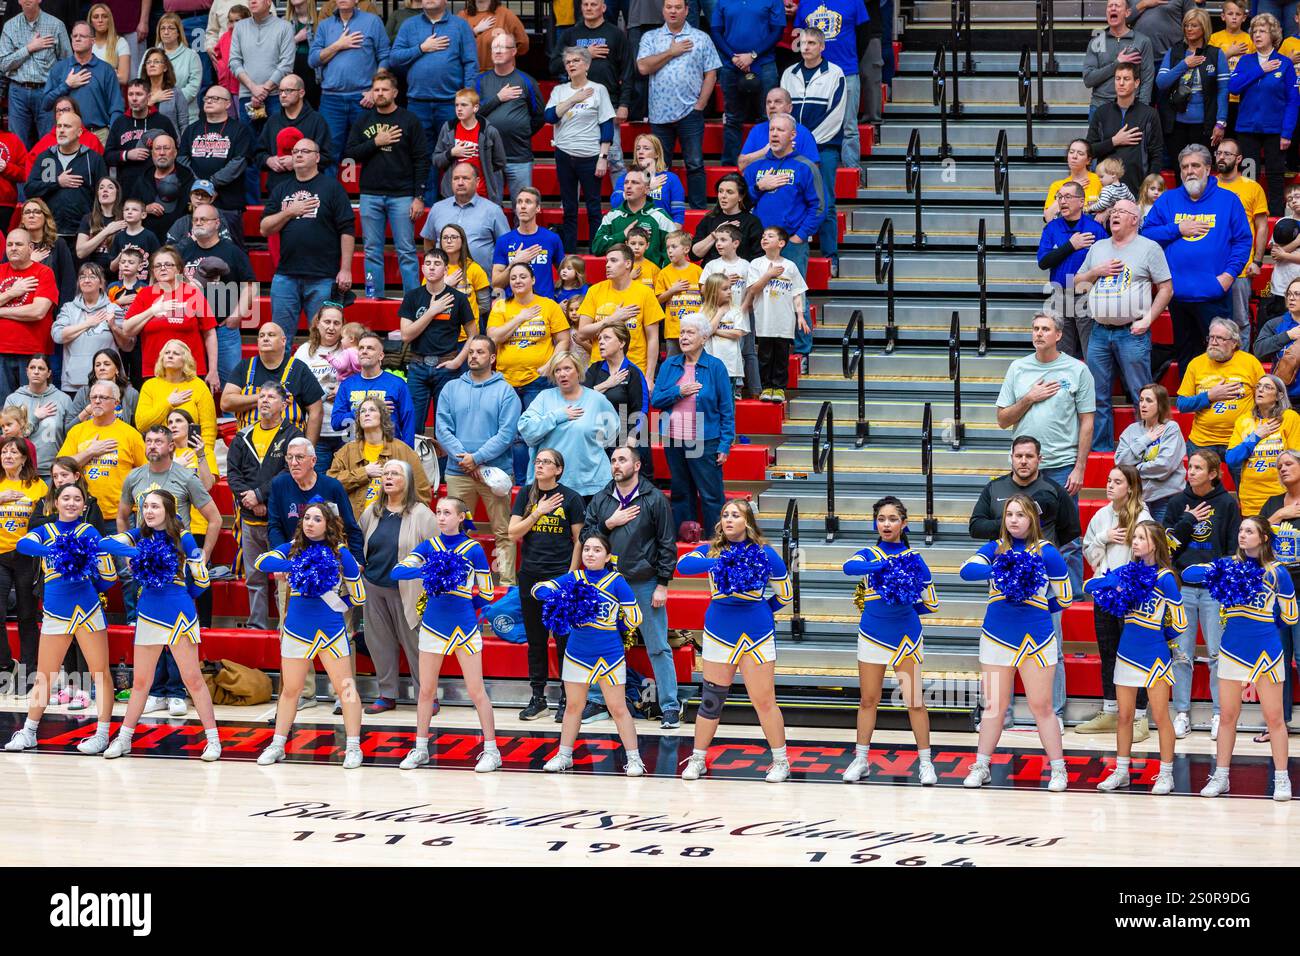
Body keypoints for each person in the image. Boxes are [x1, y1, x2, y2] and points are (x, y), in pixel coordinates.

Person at [960, 495, 1072, 792]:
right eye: (1009, 514)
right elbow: (967, 570)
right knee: (994, 706)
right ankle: (982, 765)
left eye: (1020, 514)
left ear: (1032, 519)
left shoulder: (1047, 552)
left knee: (1042, 707)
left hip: (1036, 638)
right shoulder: (995, 549)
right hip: (997, 636)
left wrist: (1038, 610)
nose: (1013, 520)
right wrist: (1002, 567)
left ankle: (1058, 769)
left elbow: (1066, 596)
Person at [968, 435, 1081, 726]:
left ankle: (1053, 713)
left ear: (1039, 459)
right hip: (1002, 587)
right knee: (999, 650)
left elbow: (1071, 532)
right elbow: (976, 525)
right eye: (1019, 455)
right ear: (1011, 457)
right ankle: (999, 715)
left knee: (1052, 648)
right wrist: (1012, 526)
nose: (1023, 461)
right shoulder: (994, 488)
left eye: (1029, 456)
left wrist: (1035, 545)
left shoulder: (1053, 490)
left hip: (1040, 589)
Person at [100, 490, 222, 760]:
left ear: (168, 509)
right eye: (145, 506)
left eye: (155, 506)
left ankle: (213, 740)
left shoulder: (184, 537)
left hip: (178, 614)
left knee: (193, 680)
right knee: (141, 681)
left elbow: (201, 579)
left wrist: (187, 585)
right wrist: (140, 552)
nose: (149, 511)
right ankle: (124, 738)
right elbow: (106, 543)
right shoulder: (138, 535)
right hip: (148, 613)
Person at [677, 498, 792, 781]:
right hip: (719, 631)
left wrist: (764, 608)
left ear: (747, 522)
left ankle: (780, 761)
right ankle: (699, 758)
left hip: (756, 632)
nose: (729, 519)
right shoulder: (711, 550)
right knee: (712, 699)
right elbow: (683, 566)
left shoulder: (765, 553)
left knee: (764, 701)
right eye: (725, 514)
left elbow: (786, 594)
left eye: (736, 515)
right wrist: (720, 561)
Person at [1184, 516, 1298, 799]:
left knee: (1274, 719)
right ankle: (1221, 776)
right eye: (1241, 530)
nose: (1242, 535)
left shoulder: (1276, 573)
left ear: (1264, 538)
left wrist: (1275, 620)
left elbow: (1293, 614)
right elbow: (1188, 574)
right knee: (1227, 717)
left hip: (1266, 652)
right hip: (1232, 649)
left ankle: (1282, 779)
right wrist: (1216, 568)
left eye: (1249, 531)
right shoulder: (1230, 566)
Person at [3, 483, 116, 755]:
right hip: (55, 611)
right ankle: (29, 731)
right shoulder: (45, 532)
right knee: (44, 675)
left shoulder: (88, 531)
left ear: (84, 505)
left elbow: (109, 577)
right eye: (66, 498)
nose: (71, 503)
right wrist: (50, 552)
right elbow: (22, 543)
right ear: (55, 502)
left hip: (87, 610)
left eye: (77, 499)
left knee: (100, 673)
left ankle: (102, 734)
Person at [254, 502, 367, 769]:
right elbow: (261, 561)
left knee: (346, 688)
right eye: (306, 517)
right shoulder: (293, 548)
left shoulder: (341, 553)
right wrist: (292, 567)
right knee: (291, 690)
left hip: (330, 630)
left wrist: (342, 604)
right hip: (297, 630)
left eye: (317, 519)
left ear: (328, 524)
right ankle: (278, 744)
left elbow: (360, 594)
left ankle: (353, 746)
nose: (310, 523)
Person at [391, 494, 501, 768]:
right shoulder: (429, 546)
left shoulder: (474, 549)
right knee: (426, 690)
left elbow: (487, 593)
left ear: (461, 517)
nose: (441, 517)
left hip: (464, 626)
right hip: (432, 624)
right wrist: (424, 571)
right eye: (438, 512)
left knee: (477, 690)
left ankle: (492, 750)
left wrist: (467, 604)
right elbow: (397, 572)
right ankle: (420, 748)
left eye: (447, 513)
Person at [840, 496, 939, 784]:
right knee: (868, 699)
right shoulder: (869, 555)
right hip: (872, 634)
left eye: (893, 519)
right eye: (881, 519)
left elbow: (931, 604)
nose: (886, 524)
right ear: (875, 523)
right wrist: (882, 568)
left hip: (906, 637)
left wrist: (905, 603)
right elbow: (849, 566)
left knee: (914, 700)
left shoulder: (915, 560)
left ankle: (925, 763)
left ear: (904, 524)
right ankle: (861, 760)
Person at [994, 313, 1096, 588]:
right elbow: (1003, 419)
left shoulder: (1077, 370)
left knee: (1068, 534)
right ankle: (1025, 585)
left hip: (1063, 463)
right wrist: (1029, 398)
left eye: (1045, 329)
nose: (1038, 334)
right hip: (1024, 467)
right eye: (1035, 328)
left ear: (1059, 335)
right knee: (1020, 528)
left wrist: (1080, 467)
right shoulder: (1018, 368)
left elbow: (1087, 421)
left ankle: (1071, 593)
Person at [1085, 519, 1186, 794]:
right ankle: (1121, 771)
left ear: (1155, 543)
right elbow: (1089, 587)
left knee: (1162, 716)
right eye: (1135, 537)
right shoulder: (1127, 573)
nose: (1136, 542)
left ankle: (1166, 774)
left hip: (1154, 655)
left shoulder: (1166, 578)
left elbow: (1181, 624)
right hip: (1126, 651)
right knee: (1124, 716)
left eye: (1141, 537)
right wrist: (1108, 582)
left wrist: (1161, 637)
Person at [583, 445, 680, 726]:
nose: (616, 465)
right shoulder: (602, 499)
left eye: (622, 459)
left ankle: (670, 706)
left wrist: (663, 583)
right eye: (613, 460)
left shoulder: (654, 499)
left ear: (636, 466)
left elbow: (667, 544)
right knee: (600, 644)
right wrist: (608, 524)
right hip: (607, 584)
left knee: (657, 646)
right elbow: (585, 539)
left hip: (645, 582)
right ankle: (597, 701)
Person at [533, 532, 646, 774]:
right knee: (574, 706)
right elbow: (539, 588)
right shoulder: (574, 577)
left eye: (596, 550)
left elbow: (636, 617)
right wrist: (554, 595)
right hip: (577, 653)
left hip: (610, 654)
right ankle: (565, 756)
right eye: (587, 550)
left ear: (607, 556)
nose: (590, 554)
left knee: (618, 708)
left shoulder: (616, 581)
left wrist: (620, 624)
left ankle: (634, 758)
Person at [1073, 198, 1173, 449]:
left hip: (1132, 332)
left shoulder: (1149, 248)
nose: (1114, 215)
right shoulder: (1098, 248)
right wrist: (1097, 271)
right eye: (1113, 211)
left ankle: (1148, 447)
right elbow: (1077, 282)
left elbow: (1166, 289)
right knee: (1097, 395)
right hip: (1099, 331)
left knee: (1143, 393)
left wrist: (1148, 320)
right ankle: (1101, 450)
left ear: (1135, 219)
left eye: (1121, 212)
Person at [1143, 148, 1253, 373]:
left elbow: (1243, 241)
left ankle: (1223, 403)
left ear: (1208, 169)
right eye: (1184, 167)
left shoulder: (1228, 200)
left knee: (1221, 354)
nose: (1189, 171)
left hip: (1214, 292)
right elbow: (1146, 235)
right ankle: (1190, 404)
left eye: (1195, 166)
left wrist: (1228, 275)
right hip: (1178, 294)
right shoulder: (1167, 200)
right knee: (1186, 356)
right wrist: (1178, 229)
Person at [1164, 448, 1238, 741]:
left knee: (1218, 654)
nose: (1191, 472)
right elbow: (1166, 546)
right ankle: (1182, 712)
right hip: (1183, 588)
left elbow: (1234, 549)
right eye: (1189, 467)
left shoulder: (1227, 504)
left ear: (1212, 474)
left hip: (1214, 590)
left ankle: (1220, 712)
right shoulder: (1177, 503)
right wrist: (1189, 520)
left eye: (1197, 468)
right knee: (1181, 654)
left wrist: (1219, 574)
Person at [436, 335, 521, 583]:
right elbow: (442, 428)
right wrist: (465, 459)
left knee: (503, 531)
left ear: (492, 358)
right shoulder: (451, 388)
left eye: (480, 352)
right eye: (471, 351)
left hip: (496, 473)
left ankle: (505, 583)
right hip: (457, 471)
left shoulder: (506, 391)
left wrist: (477, 458)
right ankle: (457, 582)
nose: (473, 356)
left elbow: (506, 434)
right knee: (455, 530)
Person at [1079, 464, 1155, 737]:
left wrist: (1127, 584)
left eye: (1117, 481)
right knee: (1108, 651)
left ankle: (1138, 718)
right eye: (1109, 480)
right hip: (1105, 594)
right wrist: (1104, 537)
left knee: (1135, 655)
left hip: (1133, 597)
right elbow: (1089, 552)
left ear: (1131, 487)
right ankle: (1111, 711)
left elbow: (1149, 555)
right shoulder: (1101, 516)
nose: (1110, 485)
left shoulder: (1143, 516)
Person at [357, 458, 435, 713]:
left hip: (409, 591)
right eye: (386, 473)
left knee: (415, 644)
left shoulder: (421, 513)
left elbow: (437, 551)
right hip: (374, 587)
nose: (388, 477)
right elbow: (360, 544)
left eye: (395, 474)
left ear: (408, 481)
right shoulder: (372, 511)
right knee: (379, 643)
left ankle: (427, 694)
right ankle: (386, 694)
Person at [261, 138, 355, 341]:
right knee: (279, 338)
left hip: (322, 276)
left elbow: (347, 229)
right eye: (295, 151)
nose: (298, 155)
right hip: (286, 275)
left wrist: (346, 268)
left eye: (305, 151)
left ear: (317, 157)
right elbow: (264, 228)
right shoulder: (282, 189)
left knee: (323, 339)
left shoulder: (332, 188)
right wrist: (289, 212)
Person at [226, 382, 303, 629]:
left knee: (284, 575)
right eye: (261, 396)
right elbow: (233, 474)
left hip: (279, 518)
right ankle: (257, 624)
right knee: (254, 577)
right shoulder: (243, 436)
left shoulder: (293, 436)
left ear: (284, 404)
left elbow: (288, 471)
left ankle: (286, 624)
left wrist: (260, 495)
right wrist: (248, 499)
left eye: (271, 396)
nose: (264, 400)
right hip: (249, 517)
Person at [345, 69, 428, 297]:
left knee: (407, 251)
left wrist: (419, 197)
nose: (379, 94)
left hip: (402, 195)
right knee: (372, 251)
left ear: (395, 92)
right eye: (376, 90)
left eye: (384, 89)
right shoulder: (363, 120)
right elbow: (350, 154)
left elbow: (422, 159)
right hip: (370, 194)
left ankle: (413, 300)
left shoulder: (409, 120)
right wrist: (376, 142)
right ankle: (373, 296)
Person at [651, 313, 734, 533]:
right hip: (674, 438)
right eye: (681, 332)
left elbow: (727, 408)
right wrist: (679, 391)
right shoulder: (670, 364)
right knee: (680, 492)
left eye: (690, 332)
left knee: (710, 495)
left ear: (704, 337)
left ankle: (714, 541)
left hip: (705, 439)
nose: (683, 337)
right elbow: (656, 399)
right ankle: (686, 539)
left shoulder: (716, 367)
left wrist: (725, 444)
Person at [487, 264, 571, 477]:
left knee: (536, 432)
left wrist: (551, 364)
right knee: (513, 435)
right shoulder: (500, 307)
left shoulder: (548, 305)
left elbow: (563, 340)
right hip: (506, 381)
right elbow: (493, 338)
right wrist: (520, 318)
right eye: (513, 277)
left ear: (533, 280)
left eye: (523, 276)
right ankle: (520, 481)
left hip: (538, 380)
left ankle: (540, 477)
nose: (517, 280)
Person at [637, 0, 721, 209]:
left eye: (677, 7)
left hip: (690, 112)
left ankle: (698, 210)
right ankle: (653, 209)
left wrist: (700, 105)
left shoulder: (701, 38)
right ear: (663, 10)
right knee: (654, 166)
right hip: (658, 114)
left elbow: (711, 73)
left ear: (687, 10)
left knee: (694, 164)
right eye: (668, 7)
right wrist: (670, 52)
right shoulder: (650, 38)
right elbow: (643, 67)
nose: (673, 11)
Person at [389, 0, 478, 194]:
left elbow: (471, 62)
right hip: (417, 103)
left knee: (455, 157)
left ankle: (454, 205)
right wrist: (422, 48)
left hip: (450, 104)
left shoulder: (460, 25)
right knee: (422, 157)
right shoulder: (409, 25)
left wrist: (467, 98)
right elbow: (394, 58)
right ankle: (426, 205)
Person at [781, 26, 843, 273]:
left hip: (824, 148)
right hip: (791, 149)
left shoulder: (835, 74)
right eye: (803, 43)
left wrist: (805, 143)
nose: (806, 48)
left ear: (822, 47)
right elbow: (783, 113)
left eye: (811, 44)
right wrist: (792, 143)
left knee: (825, 202)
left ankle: (831, 255)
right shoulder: (789, 73)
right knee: (793, 199)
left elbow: (836, 116)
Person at [176, 203, 257, 389]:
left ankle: (231, 418)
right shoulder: (182, 251)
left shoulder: (232, 251)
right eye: (195, 220)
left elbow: (250, 286)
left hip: (223, 329)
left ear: (217, 223)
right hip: (190, 328)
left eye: (203, 219)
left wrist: (237, 315)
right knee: (187, 383)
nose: (198, 223)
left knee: (231, 384)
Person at [398, 247, 478, 435]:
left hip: (447, 367)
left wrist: (458, 361)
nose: (432, 267)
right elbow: (406, 335)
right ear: (422, 269)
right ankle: (414, 464)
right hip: (417, 367)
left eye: (437, 263)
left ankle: (443, 465)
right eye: (428, 263)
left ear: (445, 270)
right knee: (413, 425)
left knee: (445, 427)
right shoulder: (412, 297)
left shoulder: (458, 298)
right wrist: (432, 311)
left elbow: (474, 334)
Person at [1229, 12, 1300, 216]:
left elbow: (1293, 101)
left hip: (1275, 130)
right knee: (1249, 178)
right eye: (1255, 31)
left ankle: (1275, 220)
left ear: (1274, 35)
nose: (1257, 35)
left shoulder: (1285, 64)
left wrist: (1287, 132)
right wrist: (1261, 69)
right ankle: (1248, 219)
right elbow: (1233, 87)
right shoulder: (1246, 61)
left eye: (1263, 31)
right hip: (1247, 129)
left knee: (1275, 177)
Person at [545, 46, 615, 254]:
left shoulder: (598, 89)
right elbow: (550, 117)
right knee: (569, 208)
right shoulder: (559, 91)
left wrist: (603, 157)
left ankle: (596, 251)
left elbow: (607, 126)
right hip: (564, 154)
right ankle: (569, 253)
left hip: (591, 155)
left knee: (593, 207)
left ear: (587, 64)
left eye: (576, 61)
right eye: (568, 62)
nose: (571, 65)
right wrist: (574, 99)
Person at [743, 113, 824, 290]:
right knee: (757, 296)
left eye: (780, 130)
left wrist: (799, 236)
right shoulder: (755, 167)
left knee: (795, 298)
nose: (774, 133)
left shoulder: (805, 166)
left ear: (793, 135)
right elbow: (741, 204)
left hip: (791, 243)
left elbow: (818, 207)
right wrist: (759, 187)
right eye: (772, 129)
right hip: (759, 242)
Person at [121, 247, 219, 389]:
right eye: (158, 265)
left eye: (168, 264)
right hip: (155, 372)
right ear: (153, 271)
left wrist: (213, 370)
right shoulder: (145, 295)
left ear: (179, 269)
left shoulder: (193, 294)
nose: (163, 268)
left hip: (189, 372)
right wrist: (153, 311)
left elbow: (210, 333)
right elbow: (127, 329)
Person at [1037, 182, 1109, 361]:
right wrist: (1070, 245)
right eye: (1059, 197)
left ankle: (1091, 389)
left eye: (1068, 197)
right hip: (1060, 296)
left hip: (1087, 297)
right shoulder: (1052, 228)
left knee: (1091, 352)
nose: (1062, 201)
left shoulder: (1095, 229)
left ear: (1081, 201)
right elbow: (1043, 262)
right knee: (1061, 353)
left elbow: (1107, 261)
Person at [1175, 318, 1264, 461]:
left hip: (1240, 438)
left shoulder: (1250, 363)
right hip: (1202, 441)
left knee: (1242, 483)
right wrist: (1209, 396)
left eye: (1220, 338)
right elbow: (1182, 405)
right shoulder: (1196, 364)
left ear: (1234, 343)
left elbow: (1266, 399)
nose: (1213, 342)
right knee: (1198, 482)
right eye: (1211, 337)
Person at [308, 0, 391, 154]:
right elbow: (312, 60)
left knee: (370, 150)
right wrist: (339, 45)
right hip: (331, 100)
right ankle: (331, 180)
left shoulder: (372, 21)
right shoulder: (325, 25)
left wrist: (375, 89)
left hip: (364, 99)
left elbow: (385, 56)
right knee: (329, 152)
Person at [576, 244, 665, 385]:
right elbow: (582, 333)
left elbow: (653, 338)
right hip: (599, 369)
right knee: (602, 407)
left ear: (628, 264)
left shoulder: (645, 293)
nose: (607, 265)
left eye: (613, 261)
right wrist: (612, 319)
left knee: (625, 408)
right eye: (607, 261)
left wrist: (649, 377)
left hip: (634, 369)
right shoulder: (595, 291)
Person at [328, 396, 430, 518]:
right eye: (363, 411)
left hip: (393, 524)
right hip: (355, 525)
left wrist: (405, 520)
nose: (367, 414)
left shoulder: (403, 451)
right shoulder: (347, 452)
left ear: (383, 416)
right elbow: (331, 485)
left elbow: (421, 491)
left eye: (372, 410)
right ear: (358, 419)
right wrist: (363, 473)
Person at [222, 321, 325, 443]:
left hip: (288, 450)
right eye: (261, 335)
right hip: (248, 449)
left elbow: (316, 411)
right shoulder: (245, 366)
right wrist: (265, 398)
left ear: (283, 341)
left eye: (271, 335)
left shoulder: (299, 369)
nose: (265, 338)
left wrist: (308, 449)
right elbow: (226, 403)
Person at [1214, 138, 1271, 349]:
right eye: (1218, 153)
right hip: (1212, 265)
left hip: (1240, 266)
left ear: (1239, 159)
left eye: (1227, 154)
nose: (1221, 157)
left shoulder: (1252, 187)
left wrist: (1257, 260)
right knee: (1212, 320)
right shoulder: (1209, 186)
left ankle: (1241, 365)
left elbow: (1262, 226)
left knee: (1239, 321)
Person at [713, 0, 784, 166]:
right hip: (731, 66)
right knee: (732, 119)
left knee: (768, 118)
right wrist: (733, 57)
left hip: (764, 64)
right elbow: (716, 31)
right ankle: (730, 169)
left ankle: (767, 165)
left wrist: (752, 55)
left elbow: (777, 31)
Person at [0, 437, 47, 686]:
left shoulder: (37, 486)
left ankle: (30, 671)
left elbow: (44, 522)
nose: (7, 455)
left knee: (27, 616)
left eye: (13, 452)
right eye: (4, 451)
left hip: (27, 557)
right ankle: (5, 664)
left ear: (24, 458)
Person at [475, 32, 545, 199]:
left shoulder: (526, 81)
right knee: (492, 206)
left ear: (513, 51)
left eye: (503, 47)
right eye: (494, 48)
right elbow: (473, 115)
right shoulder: (480, 81)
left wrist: (523, 131)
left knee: (523, 206)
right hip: (490, 157)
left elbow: (539, 116)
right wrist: (498, 98)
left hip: (519, 156)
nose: (497, 52)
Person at [1155, 8, 1229, 162]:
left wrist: (1221, 122)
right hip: (1176, 125)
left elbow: (1223, 90)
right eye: (1187, 25)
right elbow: (1161, 83)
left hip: (1204, 125)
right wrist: (1184, 64)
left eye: (1194, 25)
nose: (1189, 29)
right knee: (1179, 171)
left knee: (1201, 172)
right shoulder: (1174, 52)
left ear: (1204, 28)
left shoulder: (1216, 54)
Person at [134, 339, 218, 471]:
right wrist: (168, 403)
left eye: (176, 353)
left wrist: (202, 457)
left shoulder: (198, 386)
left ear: (185, 360)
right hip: (156, 455)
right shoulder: (150, 386)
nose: (170, 355)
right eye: (167, 353)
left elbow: (208, 429)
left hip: (190, 455)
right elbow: (141, 424)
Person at [24, 113, 109, 243]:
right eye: (59, 126)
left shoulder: (93, 159)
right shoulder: (45, 157)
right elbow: (29, 189)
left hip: (83, 234)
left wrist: (98, 226)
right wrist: (57, 182)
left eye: (67, 126)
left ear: (79, 132)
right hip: (50, 234)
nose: (61, 130)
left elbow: (105, 195)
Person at [1085, 63, 1163, 201]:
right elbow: (1089, 150)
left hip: (1137, 189)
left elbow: (1156, 154)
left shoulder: (1149, 114)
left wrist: (1149, 186)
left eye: (1126, 79)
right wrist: (1114, 141)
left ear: (1136, 82)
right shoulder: (1102, 112)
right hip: (1104, 190)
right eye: (1117, 78)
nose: (1121, 83)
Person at [0, 0, 72, 146]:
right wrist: (29, 48)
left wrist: (57, 89)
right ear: (19, 1)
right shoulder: (10, 26)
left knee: (49, 142)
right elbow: (3, 64)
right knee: (18, 144)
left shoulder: (56, 25)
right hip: (18, 91)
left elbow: (67, 62)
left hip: (46, 91)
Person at [1226, 373, 1300, 516]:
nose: (1260, 390)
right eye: (1258, 386)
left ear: (1279, 396)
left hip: (1282, 495)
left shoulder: (1290, 418)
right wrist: (1256, 436)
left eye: (1267, 387)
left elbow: (1296, 459)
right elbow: (1231, 459)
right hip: (1251, 497)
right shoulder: (1244, 420)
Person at [176, 84, 254, 218]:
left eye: (215, 98)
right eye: (206, 98)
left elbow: (239, 162)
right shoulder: (191, 129)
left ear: (228, 104)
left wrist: (210, 183)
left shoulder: (240, 130)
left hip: (228, 203)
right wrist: (198, 184)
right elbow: (182, 159)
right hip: (196, 200)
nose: (209, 101)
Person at [1115, 383, 1187, 523]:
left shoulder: (1170, 428)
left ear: (1160, 404)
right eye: (1141, 400)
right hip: (1137, 499)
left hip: (1166, 498)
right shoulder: (1132, 430)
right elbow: (1120, 462)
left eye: (1149, 400)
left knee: (1160, 543)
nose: (1143, 405)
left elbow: (1164, 466)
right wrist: (1145, 440)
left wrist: (1134, 469)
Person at [0, 229, 59, 401]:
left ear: (30, 247)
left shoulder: (44, 273)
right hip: (1, 351)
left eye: (18, 244)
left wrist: (1, 311)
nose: (13, 248)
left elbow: (37, 311)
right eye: (9, 244)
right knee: (3, 409)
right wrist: (12, 293)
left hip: (32, 352)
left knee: (32, 405)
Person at [586, 325, 653, 476]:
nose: (601, 342)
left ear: (622, 343)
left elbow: (641, 410)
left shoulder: (633, 372)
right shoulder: (594, 370)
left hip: (628, 436)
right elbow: (582, 399)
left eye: (607, 338)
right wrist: (607, 384)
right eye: (600, 338)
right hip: (599, 438)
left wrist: (629, 438)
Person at [421, 163, 509, 276]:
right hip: (443, 284)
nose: (460, 183)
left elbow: (505, 246)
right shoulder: (437, 208)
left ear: (477, 182)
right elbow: (429, 242)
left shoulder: (493, 210)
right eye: (456, 178)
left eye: (465, 178)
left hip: (482, 284)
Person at [39, 21, 121, 141]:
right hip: (66, 134)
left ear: (92, 41)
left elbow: (116, 108)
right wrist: (67, 85)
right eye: (74, 36)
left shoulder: (105, 70)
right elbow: (45, 104)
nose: (77, 39)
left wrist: (112, 136)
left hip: (98, 135)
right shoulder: (59, 68)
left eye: (82, 36)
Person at [257, 75, 334, 200]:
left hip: (309, 191)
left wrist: (296, 162)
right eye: (280, 91)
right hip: (277, 190)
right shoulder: (273, 121)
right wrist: (268, 160)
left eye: (288, 90)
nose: (282, 95)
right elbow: (258, 153)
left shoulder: (317, 121)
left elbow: (326, 157)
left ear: (301, 93)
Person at [51, 263, 122, 399]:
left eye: (92, 276)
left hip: (107, 383)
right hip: (74, 383)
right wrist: (88, 323)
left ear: (101, 284)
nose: (86, 280)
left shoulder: (113, 309)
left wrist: (114, 327)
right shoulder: (68, 308)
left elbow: (128, 345)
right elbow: (57, 336)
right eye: (82, 277)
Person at [293, 304, 349, 472]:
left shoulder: (349, 350)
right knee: (317, 484)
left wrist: (343, 390)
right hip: (317, 432)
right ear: (317, 323)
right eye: (327, 322)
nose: (331, 327)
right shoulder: (304, 351)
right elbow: (295, 388)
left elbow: (363, 379)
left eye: (336, 323)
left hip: (347, 432)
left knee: (348, 484)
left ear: (342, 326)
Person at [229, 0, 295, 137]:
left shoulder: (285, 26)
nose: (252, 1)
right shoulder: (240, 27)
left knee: (275, 142)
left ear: (269, 2)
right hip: (247, 96)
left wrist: (265, 89)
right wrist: (253, 87)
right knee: (249, 145)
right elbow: (234, 62)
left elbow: (287, 64)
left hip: (276, 96)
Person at [490, 186, 566, 298]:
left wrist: (562, 298)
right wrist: (515, 263)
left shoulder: (552, 238)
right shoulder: (504, 241)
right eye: (519, 202)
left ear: (538, 208)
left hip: (544, 306)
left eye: (528, 202)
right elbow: (496, 283)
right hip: (514, 306)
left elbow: (566, 274)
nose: (523, 206)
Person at [1083, 0, 1155, 116]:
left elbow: (1147, 79)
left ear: (1127, 12)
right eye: (1110, 6)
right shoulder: (1096, 42)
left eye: (1117, 6)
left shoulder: (1142, 41)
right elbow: (1088, 80)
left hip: (1132, 108)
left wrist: (1142, 109)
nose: (1112, 8)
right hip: (1100, 107)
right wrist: (1117, 63)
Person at [591, 167, 677, 265]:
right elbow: (597, 248)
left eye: (635, 182)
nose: (628, 186)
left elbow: (674, 255)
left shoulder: (661, 217)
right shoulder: (612, 216)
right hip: (620, 279)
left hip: (651, 279)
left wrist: (659, 276)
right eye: (626, 182)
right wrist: (623, 235)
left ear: (647, 190)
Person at [4, 355, 73, 476]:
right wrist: (34, 417)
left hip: (53, 472)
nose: (36, 372)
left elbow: (71, 436)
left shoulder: (63, 399)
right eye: (32, 367)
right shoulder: (13, 399)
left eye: (41, 368)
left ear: (49, 373)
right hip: (20, 472)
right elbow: (8, 437)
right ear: (27, 371)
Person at [737, 86, 819, 173]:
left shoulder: (803, 132)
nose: (771, 106)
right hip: (760, 184)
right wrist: (764, 151)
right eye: (768, 102)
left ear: (789, 108)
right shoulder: (757, 130)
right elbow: (741, 165)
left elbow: (813, 170)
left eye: (777, 102)